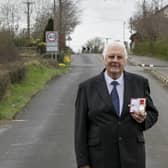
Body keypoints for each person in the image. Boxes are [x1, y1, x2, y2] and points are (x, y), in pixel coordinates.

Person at [74, 42, 158, 168]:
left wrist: (144, 118)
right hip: (99, 158)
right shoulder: (87, 88)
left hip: (133, 158)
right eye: (111, 57)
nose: (115, 60)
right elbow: (80, 128)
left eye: (119, 57)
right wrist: (83, 163)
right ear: (104, 59)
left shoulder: (140, 83)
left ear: (125, 61)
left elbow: (153, 113)